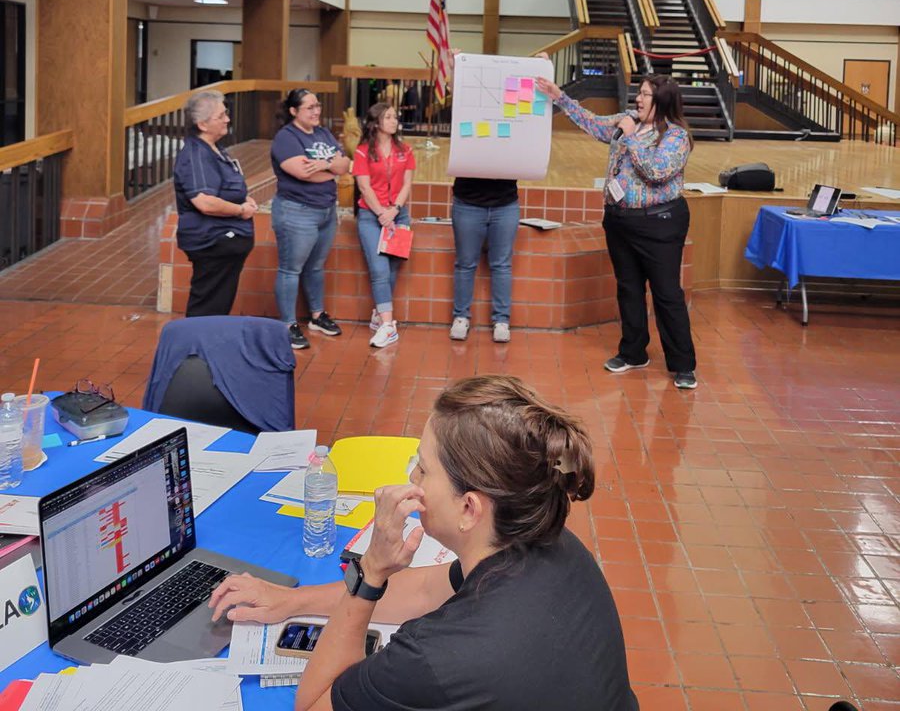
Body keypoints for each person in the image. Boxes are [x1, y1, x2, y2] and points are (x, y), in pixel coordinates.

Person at [208, 375, 638, 711]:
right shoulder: (547, 539)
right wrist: (292, 600)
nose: (410, 479)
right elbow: (427, 589)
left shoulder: (435, 658)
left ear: (469, 509)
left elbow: (314, 704)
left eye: (423, 470)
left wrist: (370, 573)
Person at [536, 69, 698, 390]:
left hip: (659, 223)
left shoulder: (676, 136)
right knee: (628, 288)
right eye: (639, 92)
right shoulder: (628, 121)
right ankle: (633, 352)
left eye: (646, 94)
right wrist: (559, 97)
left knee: (666, 293)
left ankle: (683, 365)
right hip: (620, 220)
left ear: (662, 100)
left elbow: (655, 171)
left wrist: (632, 137)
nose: (638, 99)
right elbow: (595, 123)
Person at [270, 88, 350, 350]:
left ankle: (317, 315)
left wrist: (325, 165)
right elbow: (304, 173)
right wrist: (331, 166)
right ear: (294, 111)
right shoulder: (286, 138)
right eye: (310, 107)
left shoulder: (323, 133)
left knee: (315, 267)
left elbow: (345, 165)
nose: (316, 111)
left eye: (318, 106)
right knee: (291, 269)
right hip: (297, 211)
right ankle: (287, 324)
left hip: (326, 211)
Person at [172, 91, 257, 317]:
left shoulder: (215, 149)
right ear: (202, 124)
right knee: (207, 307)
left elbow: (223, 189)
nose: (227, 119)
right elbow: (205, 202)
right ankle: (197, 341)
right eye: (221, 116)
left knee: (217, 304)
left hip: (225, 242)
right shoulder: (196, 154)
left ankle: (208, 338)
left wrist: (243, 198)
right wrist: (240, 210)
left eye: (226, 113)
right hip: (211, 241)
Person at [351, 102, 415, 349]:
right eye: (388, 117)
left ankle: (379, 315)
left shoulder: (405, 150)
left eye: (395, 117)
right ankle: (389, 327)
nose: (394, 121)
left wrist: (395, 210)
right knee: (379, 270)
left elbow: (407, 184)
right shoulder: (362, 152)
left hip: (398, 215)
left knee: (392, 269)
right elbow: (364, 187)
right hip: (371, 215)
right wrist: (381, 213)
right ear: (376, 122)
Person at [450, 176, 519, 343]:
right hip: (467, 203)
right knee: (465, 263)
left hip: (505, 204)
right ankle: (461, 317)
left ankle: (502, 321)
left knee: (502, 265)